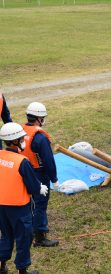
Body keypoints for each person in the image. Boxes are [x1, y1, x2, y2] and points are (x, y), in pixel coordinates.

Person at [0, 122, 48, 274]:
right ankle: (22, 270)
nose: (23, 142)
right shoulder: (22, 162)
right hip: (20, 208)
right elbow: (33, 187)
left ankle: (1, 266)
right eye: (21, 139)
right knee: (24, 238)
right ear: (14, 141)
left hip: (1, 206)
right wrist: (40, 188)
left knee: (6, 236)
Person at [21, 102, 59, 247]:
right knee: (40, 204)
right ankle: (40, 237)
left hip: (24, 170)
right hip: (39, 173)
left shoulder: (21, 130)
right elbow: (48, 160)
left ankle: (28, 228)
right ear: (38, 118)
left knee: (29, 202)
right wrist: (54, 179)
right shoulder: (40, 138)